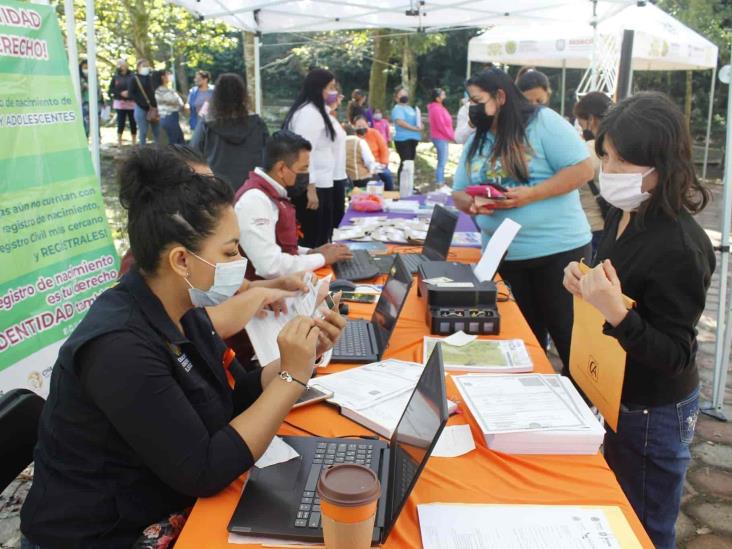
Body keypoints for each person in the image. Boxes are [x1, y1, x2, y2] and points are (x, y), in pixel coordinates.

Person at [19, 146, 347, 548]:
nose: (240, 262)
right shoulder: (118, 348)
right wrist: (291, 377)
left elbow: (234, 396)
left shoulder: (180, 307)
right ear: (180, 260)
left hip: (162, 502)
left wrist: (301, 354)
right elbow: (205, 470)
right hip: (101, 535)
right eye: (229, 252)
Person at [563, 92, 715, 549]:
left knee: (644, 527)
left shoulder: (681, 247)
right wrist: (583, 280)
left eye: (619, 161)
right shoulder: (625, 211)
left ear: (660, 165)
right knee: (615, 509)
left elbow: (676, 354)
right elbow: (619, 281)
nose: (605, 169)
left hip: (653, 410)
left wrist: (614, 311)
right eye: (604, 154)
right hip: (614, 386)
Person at [451, 67, 593, 371]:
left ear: (500, 96)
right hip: (504, 257)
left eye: (478, 100)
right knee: (522, 340)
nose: (473, 108)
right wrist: (473, 205)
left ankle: (583, 406)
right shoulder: (479, 138)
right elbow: (458, 192)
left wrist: (532, 194)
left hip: (558, 253)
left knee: (569, 338)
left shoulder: (543, 123)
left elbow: (582, 170)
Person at [235, 130, 353, 280]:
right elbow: (269, 266)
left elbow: (277, 246)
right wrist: (322, 259)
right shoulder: (254, 201)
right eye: (303, 168)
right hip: (266, 297)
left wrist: (311, 253)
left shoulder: (271, 195)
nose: (307, 175)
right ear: (281, 169)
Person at [283, 68, 340, 248]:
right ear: (318, 88)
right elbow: (304, 154)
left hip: (324, 181)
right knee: (314, 239)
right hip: (312, 187)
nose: (334, 92)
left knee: (322, 236)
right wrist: (311, 188)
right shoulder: (309, 114)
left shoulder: (319, 111)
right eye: (330, 87)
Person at [192, 73, 269, 193]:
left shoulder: (207, 123)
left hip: (218, 187)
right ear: (242, 94)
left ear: (217, 95)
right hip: (251, 187)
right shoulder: (257, 123)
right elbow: (267, 153)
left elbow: (194, 152)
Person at [574, 91, 614, 255]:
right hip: (612, 223)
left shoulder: (588, 150)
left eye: (581, 122)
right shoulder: (619, 145)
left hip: (591, 225)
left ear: (590, 119)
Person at [391, 86, 422, 196]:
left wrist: (419, 125)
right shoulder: (397, 109)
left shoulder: (410, 108)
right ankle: (402, 186)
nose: (404, 96)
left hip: (413, 139)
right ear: (396, 97)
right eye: (401, 94)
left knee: (411, 162)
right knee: (405, 162)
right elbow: (400, 122)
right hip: (403, 139)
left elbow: (416, 120)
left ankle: (409, 185)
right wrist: (414, 128)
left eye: (405, 93)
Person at [353, 115, 392, 190]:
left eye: (363, 125)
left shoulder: (374, 133)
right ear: (354, 127)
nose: (361, 127)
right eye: (359, 126)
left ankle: (389, 195)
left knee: (387, 175)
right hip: (361, 167)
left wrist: (383, 163)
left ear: (367, 124)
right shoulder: (354, 138)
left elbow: (384, 148)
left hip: (378, 164)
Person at [329, 87, 349, 231]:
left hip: (338, 174)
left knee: (337, 223)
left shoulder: (331, 117)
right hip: (328, 178)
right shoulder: (317, 117)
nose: (339, 98)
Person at [128, 58, 160, 145]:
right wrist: (142, 103)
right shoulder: (134, 79)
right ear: (138, 67)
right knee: (143, 131)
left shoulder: (151, 78)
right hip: (141, 108)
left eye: (147, 66)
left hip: (153, 108)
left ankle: (159, 151)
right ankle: (142, 151)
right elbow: (131, 94)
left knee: (157, 131)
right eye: (144, 66)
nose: (146, 68)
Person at [427, 88, 455, 186]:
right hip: (440, 137)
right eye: (443, 95)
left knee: (442, 160)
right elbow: (441, 125)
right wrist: (451, 136)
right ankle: (440, 182)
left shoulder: (439, 107)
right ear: (437, 98)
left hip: (442, 137)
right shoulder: (436, 109)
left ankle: (440, 180)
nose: (445, 96)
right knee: (442, 161)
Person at [108, 58, 137, 145]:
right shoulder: (115, 77)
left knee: (133, 121)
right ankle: (119, 141)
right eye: (120, 64)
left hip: (132, 103)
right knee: (121, 121)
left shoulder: (133, 76)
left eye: (124, 64)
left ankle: (134, 141)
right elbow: (111, 90)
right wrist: (120, 93)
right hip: (120, 103)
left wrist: (129, 93)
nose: (123, 66)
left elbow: (137, 88)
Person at [155, 70, 185, 145]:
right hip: (169, 117)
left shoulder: (169, 90)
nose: (170, 76)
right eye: (168, 74)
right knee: (175, 143)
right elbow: (176, 102)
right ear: (163, 77)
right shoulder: (160, 91)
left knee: (180, 141)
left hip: (173, 118)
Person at [79, 60, 104, 138]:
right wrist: (84, 85)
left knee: (96, 123)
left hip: (97, 103)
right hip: (85, 103)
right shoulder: (79, 79)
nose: (87, 70)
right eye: (85, 68)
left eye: (88, 67)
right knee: (86, 123)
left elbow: (99, 90)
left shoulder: (95, 78)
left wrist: (102, 101)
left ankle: (97, 142)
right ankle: (85, 140)